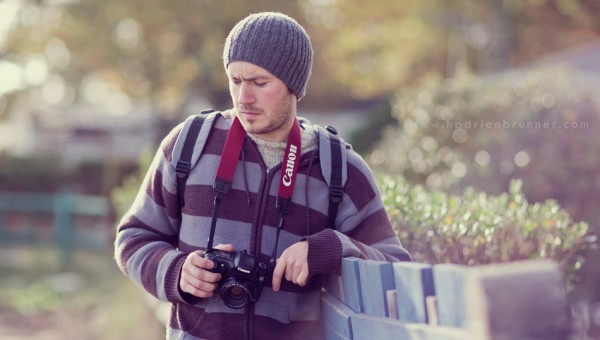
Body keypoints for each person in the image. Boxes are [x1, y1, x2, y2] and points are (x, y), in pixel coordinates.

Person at [114, 11, 411, 340]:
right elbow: (133, 238)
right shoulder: (189, 144)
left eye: (259, 82)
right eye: (236, 81)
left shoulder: (338, 167)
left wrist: (332, 248)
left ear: (293, 86)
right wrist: (177, 272)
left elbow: (395, 265)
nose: (244, 98)